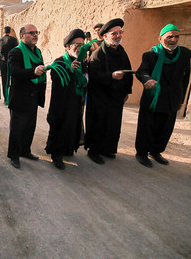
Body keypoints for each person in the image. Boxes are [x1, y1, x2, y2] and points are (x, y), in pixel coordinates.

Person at [135, 24, 191, 168]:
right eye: (169, 37)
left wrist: (181, 98)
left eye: (176, 36)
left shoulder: (185, 54)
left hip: (172, 99)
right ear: (160, 38)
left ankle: (156, 151)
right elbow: (142, 71)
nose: (173, 40)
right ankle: (141, 153)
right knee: (147, 127)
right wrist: (148, 80)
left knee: (165, 128)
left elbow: (185, 78)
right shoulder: (151, 55)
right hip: (153, 98)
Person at [85, 18, 133, 164]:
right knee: (98, 124)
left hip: (116, 98)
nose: (118, 36)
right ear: (105, 36)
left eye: (120, 32)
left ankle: (108, 149)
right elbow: (94, 76)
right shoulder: (97, 54)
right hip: (100, 98)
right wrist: (111, 76)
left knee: (113, 125)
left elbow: (128, 72)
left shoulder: (122, 52)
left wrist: (127, 92)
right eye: (114, 33)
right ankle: (94, 151)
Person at [45, 29, 87, 170]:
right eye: (77, 44)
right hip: (61, 104)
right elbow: (56, 79)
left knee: (72, 126)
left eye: (82, 44)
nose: (80, 47)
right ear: (68, 47)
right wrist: (70, 71)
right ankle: (56, 155)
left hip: (75, 102)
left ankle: (68, 149)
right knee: (60, 127)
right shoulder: (60, 62)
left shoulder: (82, 62)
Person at [6, 24, 46, 169]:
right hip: (20, 97)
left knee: (30, 127)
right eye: (31, 33)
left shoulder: (38, 51)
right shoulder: (15, 52)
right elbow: (15, 71)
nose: (35, 35)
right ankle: (14, 155)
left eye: (36, 32)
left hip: (33, 96)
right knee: (17, 128)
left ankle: (25, 150)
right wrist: (33, 72)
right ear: (22, 35)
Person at [0, 26, 18, 101]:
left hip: (2, 62)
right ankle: (13, 96)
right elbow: (16, 52)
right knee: (13, 79)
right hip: (11, 62)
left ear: (3, 32)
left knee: (4, 80)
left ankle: (6, 97)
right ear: (10, 31)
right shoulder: (14, 40)